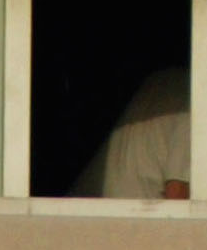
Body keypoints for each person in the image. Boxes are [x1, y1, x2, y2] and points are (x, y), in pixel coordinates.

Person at [75, 66, 191, 199]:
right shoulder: (196, 103)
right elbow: (178, 195)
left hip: (86, 212)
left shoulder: (160, 85)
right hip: (134, 214)